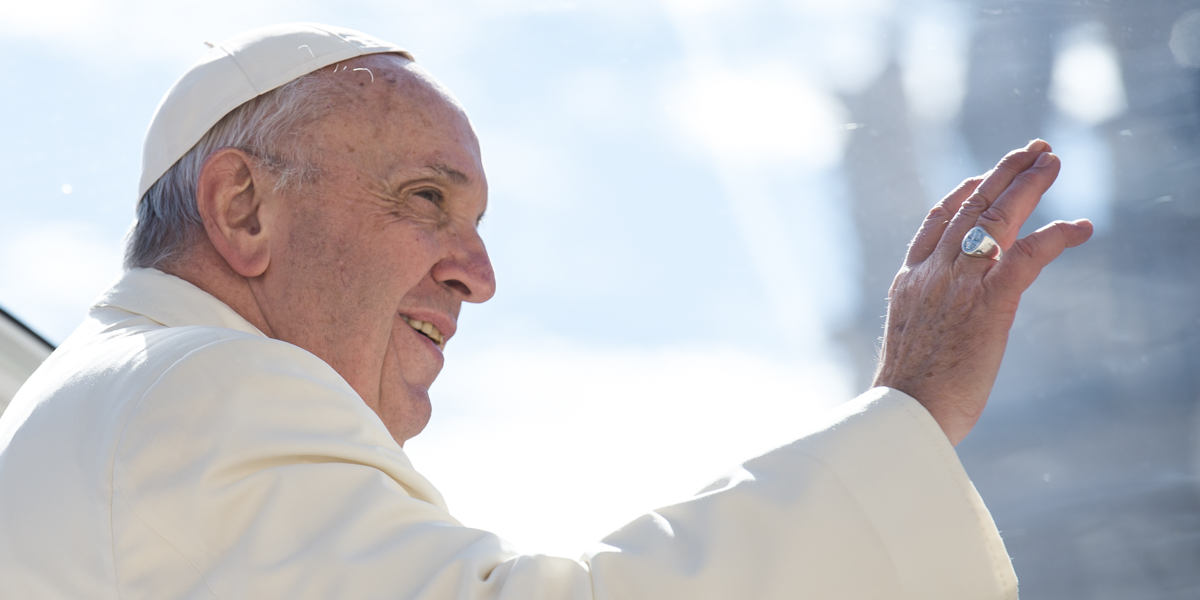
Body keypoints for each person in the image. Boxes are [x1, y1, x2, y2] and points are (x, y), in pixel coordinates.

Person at [0, 23, 1092, 599]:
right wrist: (913, 407)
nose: (478, 273)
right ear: (243, 207)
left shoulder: (99, 399)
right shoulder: (206, 388)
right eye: (425, 200)